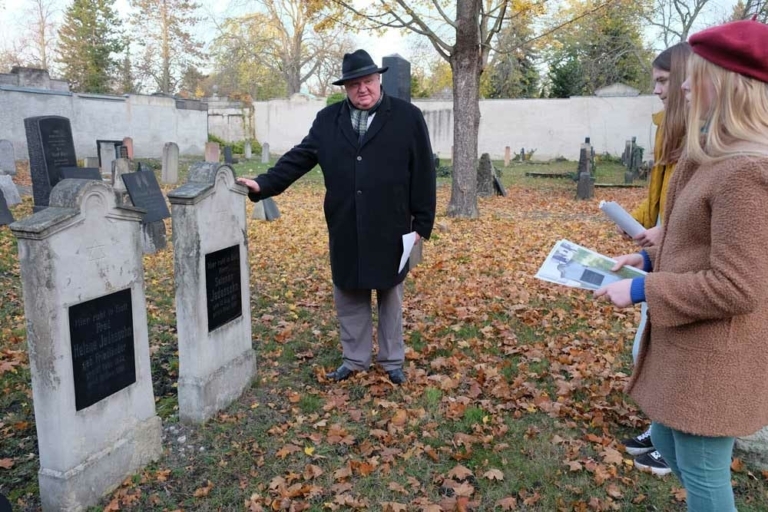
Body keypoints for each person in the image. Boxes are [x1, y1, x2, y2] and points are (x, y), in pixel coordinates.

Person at [596, 18, 768, 511]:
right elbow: (703, 240)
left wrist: (642, 289)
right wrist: (648, 257)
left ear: (733, 85)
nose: (686, 83)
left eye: (700, 73)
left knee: (704, 476)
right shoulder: (715, 158)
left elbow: (739, 285)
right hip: (689, 349)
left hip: (716, 359)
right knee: (670, 446)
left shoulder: (747, 173)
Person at [237, 49, 436, 385]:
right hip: (346, 224)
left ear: (379, 80)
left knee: (390, 296)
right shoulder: (328, 120)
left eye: (368, 81)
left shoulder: (407, 117)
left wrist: (422, 225)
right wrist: (263, 184)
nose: (363, 89)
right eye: (354, 84)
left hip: (392, 225)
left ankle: (391, 361)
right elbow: (298, 159)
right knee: (350, 293)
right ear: (345, 88)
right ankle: (355, 359)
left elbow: (424, 173)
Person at [620, 42, 691, 476]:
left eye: (664, 80)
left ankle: (671, 439)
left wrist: (665, 235)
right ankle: (662, 431)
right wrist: (644, 228)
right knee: (649, 344)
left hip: (682, 265)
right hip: (661, 252)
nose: (660, 90)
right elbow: (665, 201)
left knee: (660, 346)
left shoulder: (706, 142)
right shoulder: (669, 130)